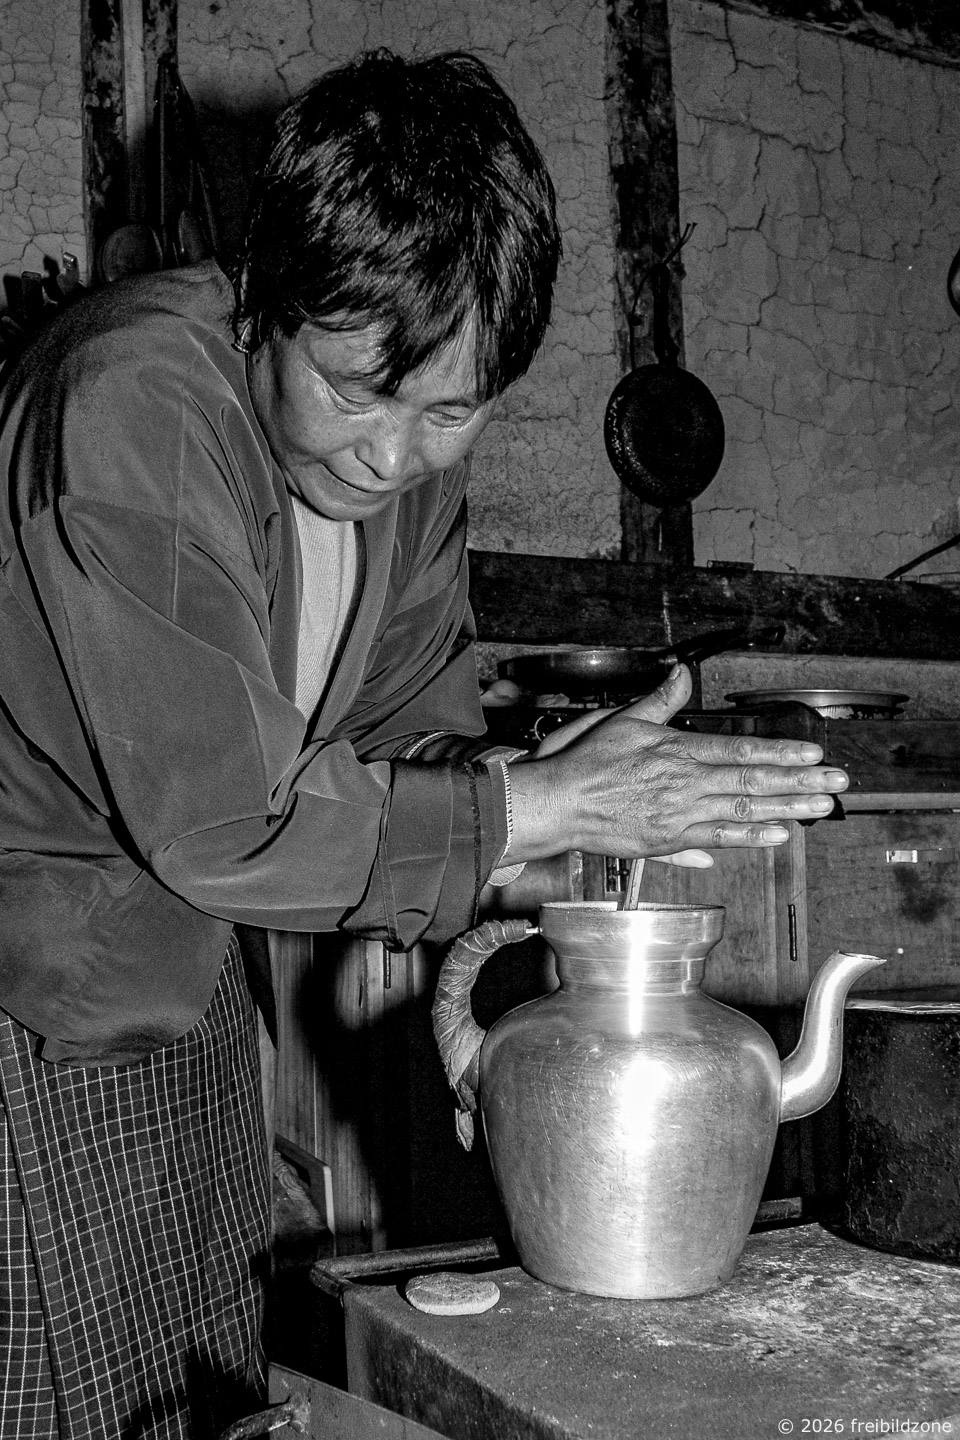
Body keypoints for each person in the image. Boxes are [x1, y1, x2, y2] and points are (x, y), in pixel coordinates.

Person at [0, 48, 847, 1438]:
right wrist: (533, 813)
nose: (391, 455)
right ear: (268, 298)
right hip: (32, 1017)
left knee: (206, 1410)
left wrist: (575, 816)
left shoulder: (398, 484)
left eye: (448, 412)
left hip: (186, 999)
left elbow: (413, 738)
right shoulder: (135, 408)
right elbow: (230, 820)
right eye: (353, 390)